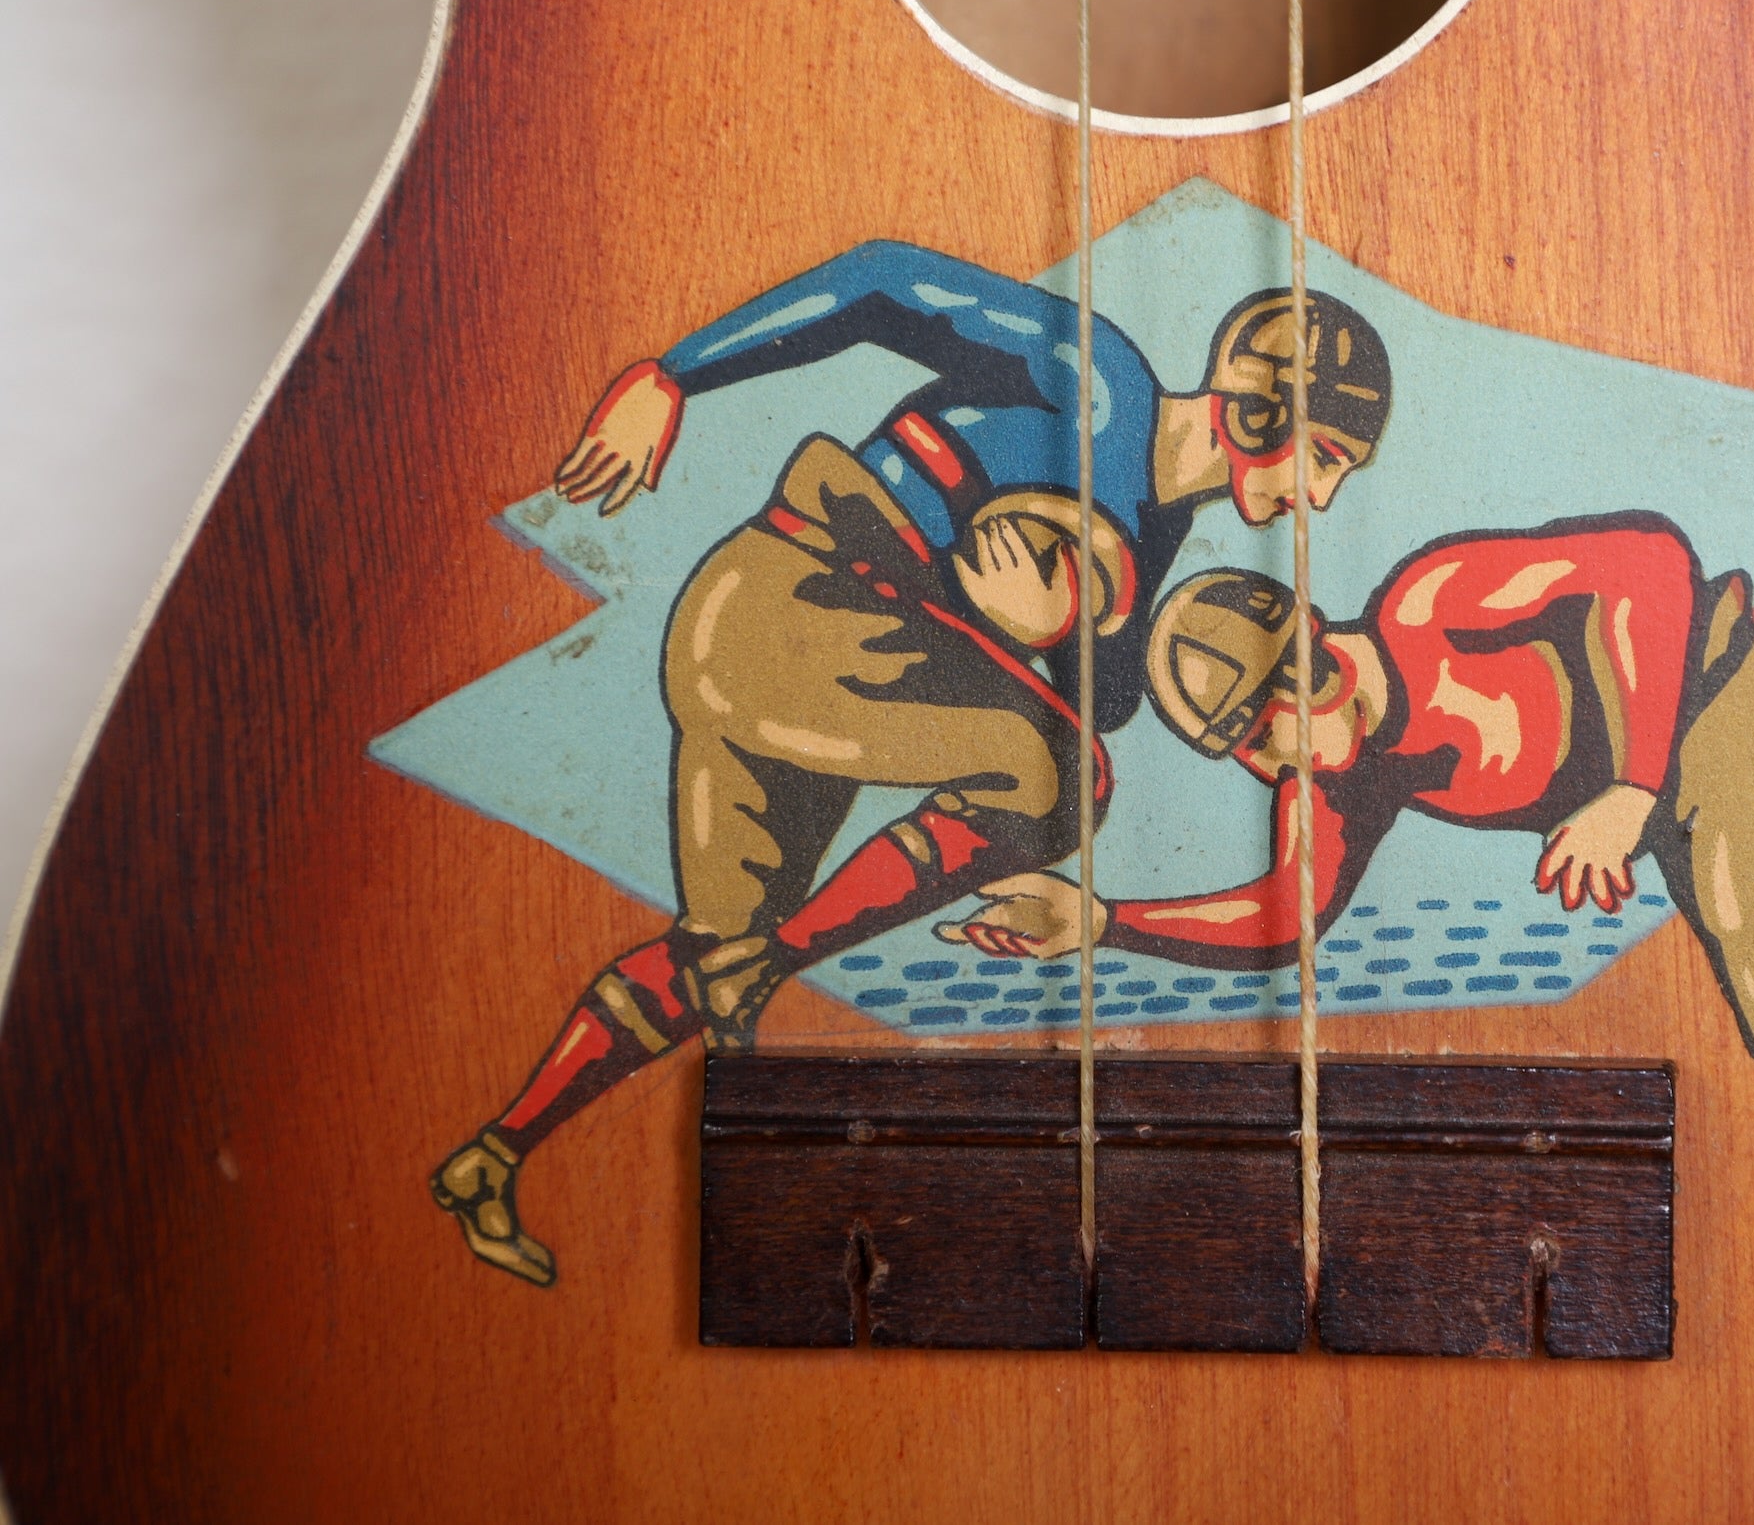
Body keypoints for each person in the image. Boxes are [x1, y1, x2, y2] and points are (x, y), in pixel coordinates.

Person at [430, 240, 1393, 1286]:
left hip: (837, 662)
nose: (1319, 496)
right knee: (1064, 781)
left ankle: (494, 1153)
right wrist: (674, 374)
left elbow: (1106, 697)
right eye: (1325, 456)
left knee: (715, 958)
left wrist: (1054, 619)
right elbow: (882, 283)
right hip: (796, 609)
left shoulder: (1160, 523)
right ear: (1258, 412)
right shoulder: (1102, 379)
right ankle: (778, 952)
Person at [945, 512, 1754, 1325]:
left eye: (1267, 728)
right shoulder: (1345, 778)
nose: (1274, 765)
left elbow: (1647, 565)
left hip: (1746, 704)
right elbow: (1281, 916)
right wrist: (1100, 917)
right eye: (1247, 752)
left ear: (1310, 659)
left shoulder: (1431, 602)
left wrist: (1630, 786)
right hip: (1698, 797)